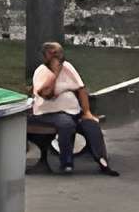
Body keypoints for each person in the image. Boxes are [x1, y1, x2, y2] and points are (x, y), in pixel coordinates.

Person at [30, 39, 118, 176]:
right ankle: (66, 162)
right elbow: (47, 94)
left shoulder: (68, 67)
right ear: (45, 56)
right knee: (66, 123)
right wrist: (55, 73)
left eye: (59, 52)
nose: (58, 56)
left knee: (91, 125)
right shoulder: (41, 72)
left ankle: (102, 162)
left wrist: (87, 112)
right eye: (53, 53)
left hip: (73, 112)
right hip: (48, 113)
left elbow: (81, 89)